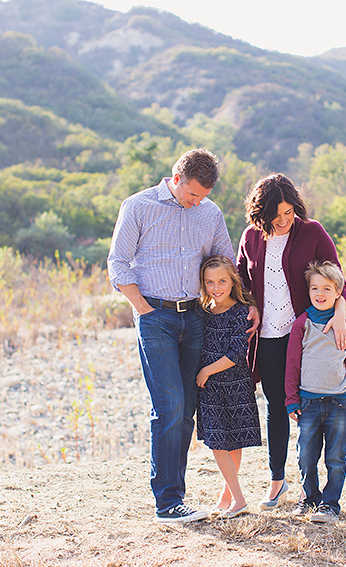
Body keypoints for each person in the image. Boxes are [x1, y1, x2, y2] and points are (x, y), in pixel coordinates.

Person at [107, 148, 248, 523]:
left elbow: (225, 261)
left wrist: (239, 304)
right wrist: (143, 308)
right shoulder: (138, 206)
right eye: (192, 194)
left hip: (197, 319)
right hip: (156, 318)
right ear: (176, 178)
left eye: (203, 196)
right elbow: (118, 263)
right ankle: (167, 503)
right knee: (168, 407)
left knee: (186, 411)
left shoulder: (210, 213)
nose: (196, 202)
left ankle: (178, 499)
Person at [236, 173, 346, 510]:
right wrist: (252, 306)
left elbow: (337, 277)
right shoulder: (251, 238)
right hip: (269, 337)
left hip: (309, 337)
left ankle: (310, 488)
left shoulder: (311, 231)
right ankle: (277, 480)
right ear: (261, 213)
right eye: (277, 215)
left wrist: (340, 312)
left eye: (289, 213)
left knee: (311, 408)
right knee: (277, 408)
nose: (285, 221)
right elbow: (241, 281)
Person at [285, 261, 346, 523]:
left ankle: (330, 504)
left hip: (338, 403)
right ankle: (309, 499)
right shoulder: (302, 324)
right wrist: (291, 400)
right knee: (306, 456)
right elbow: (292, 365)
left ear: (338, 293)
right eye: (315, 288)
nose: (320, 294)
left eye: (327, 289)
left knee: (336, 457)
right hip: (308, 402)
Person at [195, 255, 261, 519]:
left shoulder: (240, 313)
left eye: (222, 281)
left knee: (232, 443)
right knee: (218, 442)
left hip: (234, 384)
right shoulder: (203, 311)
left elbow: (236, 353)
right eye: (209, 282)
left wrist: (205, 371)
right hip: (211, 389)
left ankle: (237, 499)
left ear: (232, 281)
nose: (216, 288)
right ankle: (231, 496)